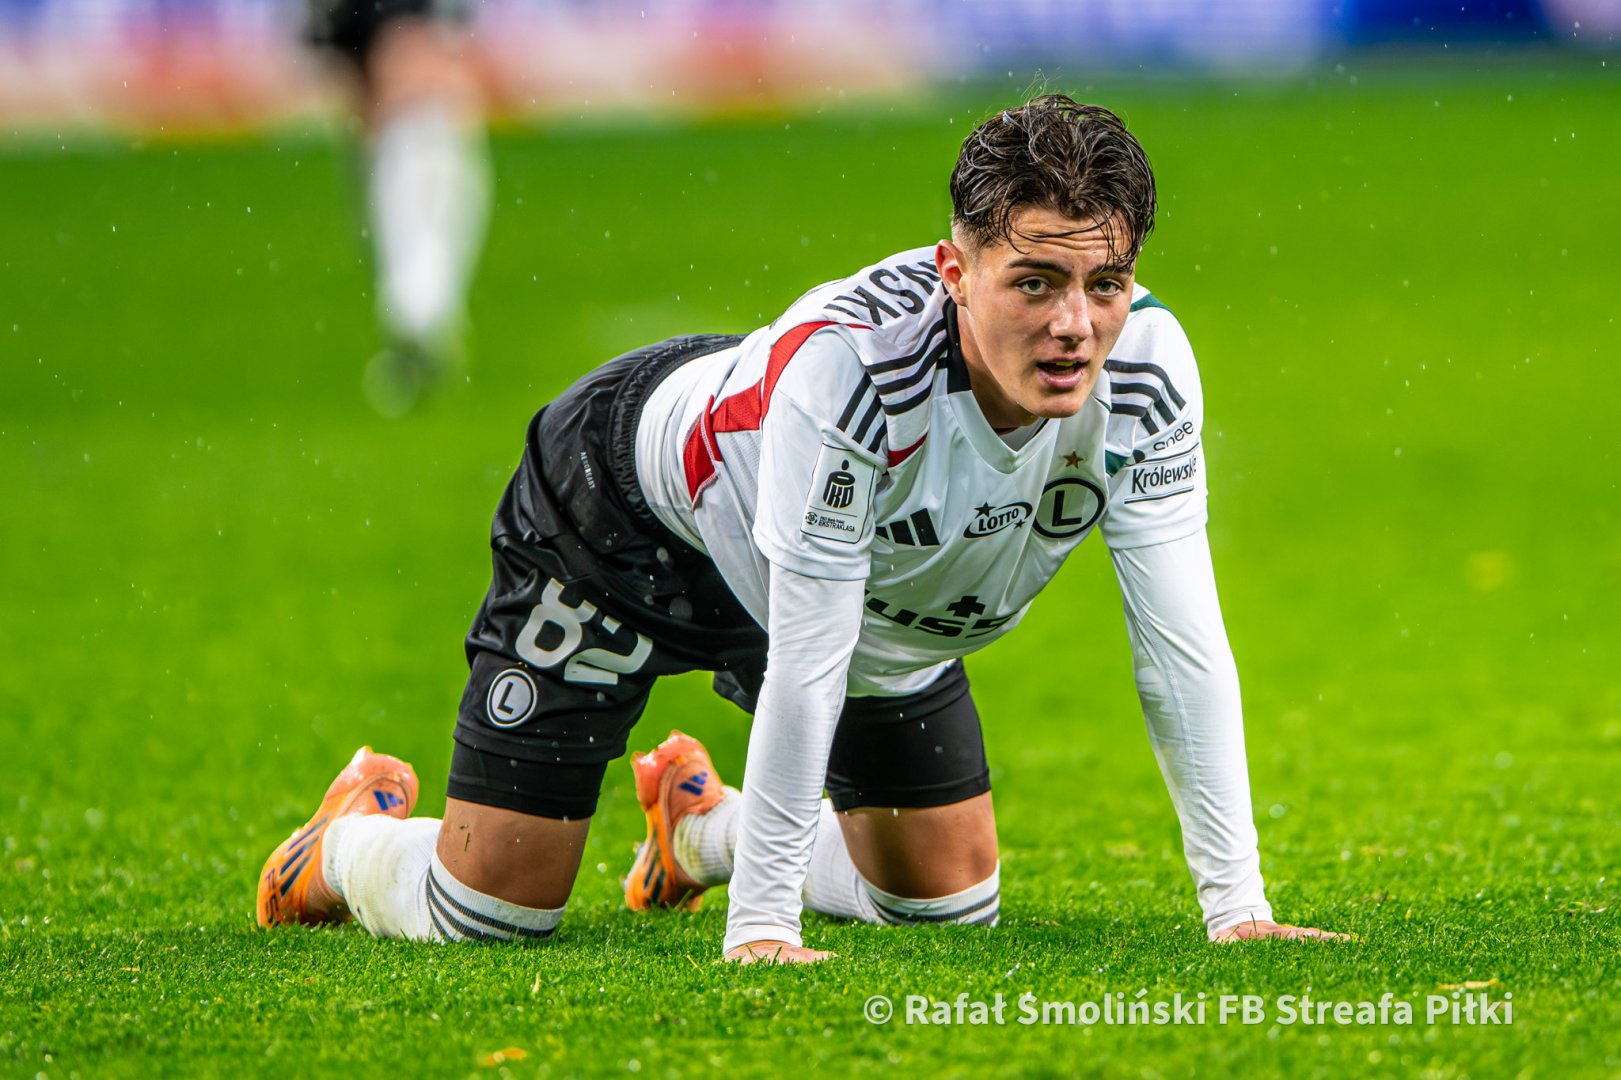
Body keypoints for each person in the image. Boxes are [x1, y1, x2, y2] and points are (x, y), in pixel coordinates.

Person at [256, 95, 1345, 960]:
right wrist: (764, 925)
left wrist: (1237, 909)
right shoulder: (852, 376)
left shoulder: (1146, 372)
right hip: (627, 518)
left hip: (857, 583)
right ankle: (346, 842)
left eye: (1104, 283)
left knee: (943, 903)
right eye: (1035, 282)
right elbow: (809, 651)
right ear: (954, 272)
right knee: (491, 909)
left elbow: (1178, 646)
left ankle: (697, 831)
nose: (1074, 325)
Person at [304, 0, 491, 414]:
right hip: (409, 131)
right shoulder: (368, 14)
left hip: (416, 127)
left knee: (422, 239)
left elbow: (413, 63)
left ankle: (419, 345)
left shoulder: (378, 13)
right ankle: (420, 345)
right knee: (417, 239)